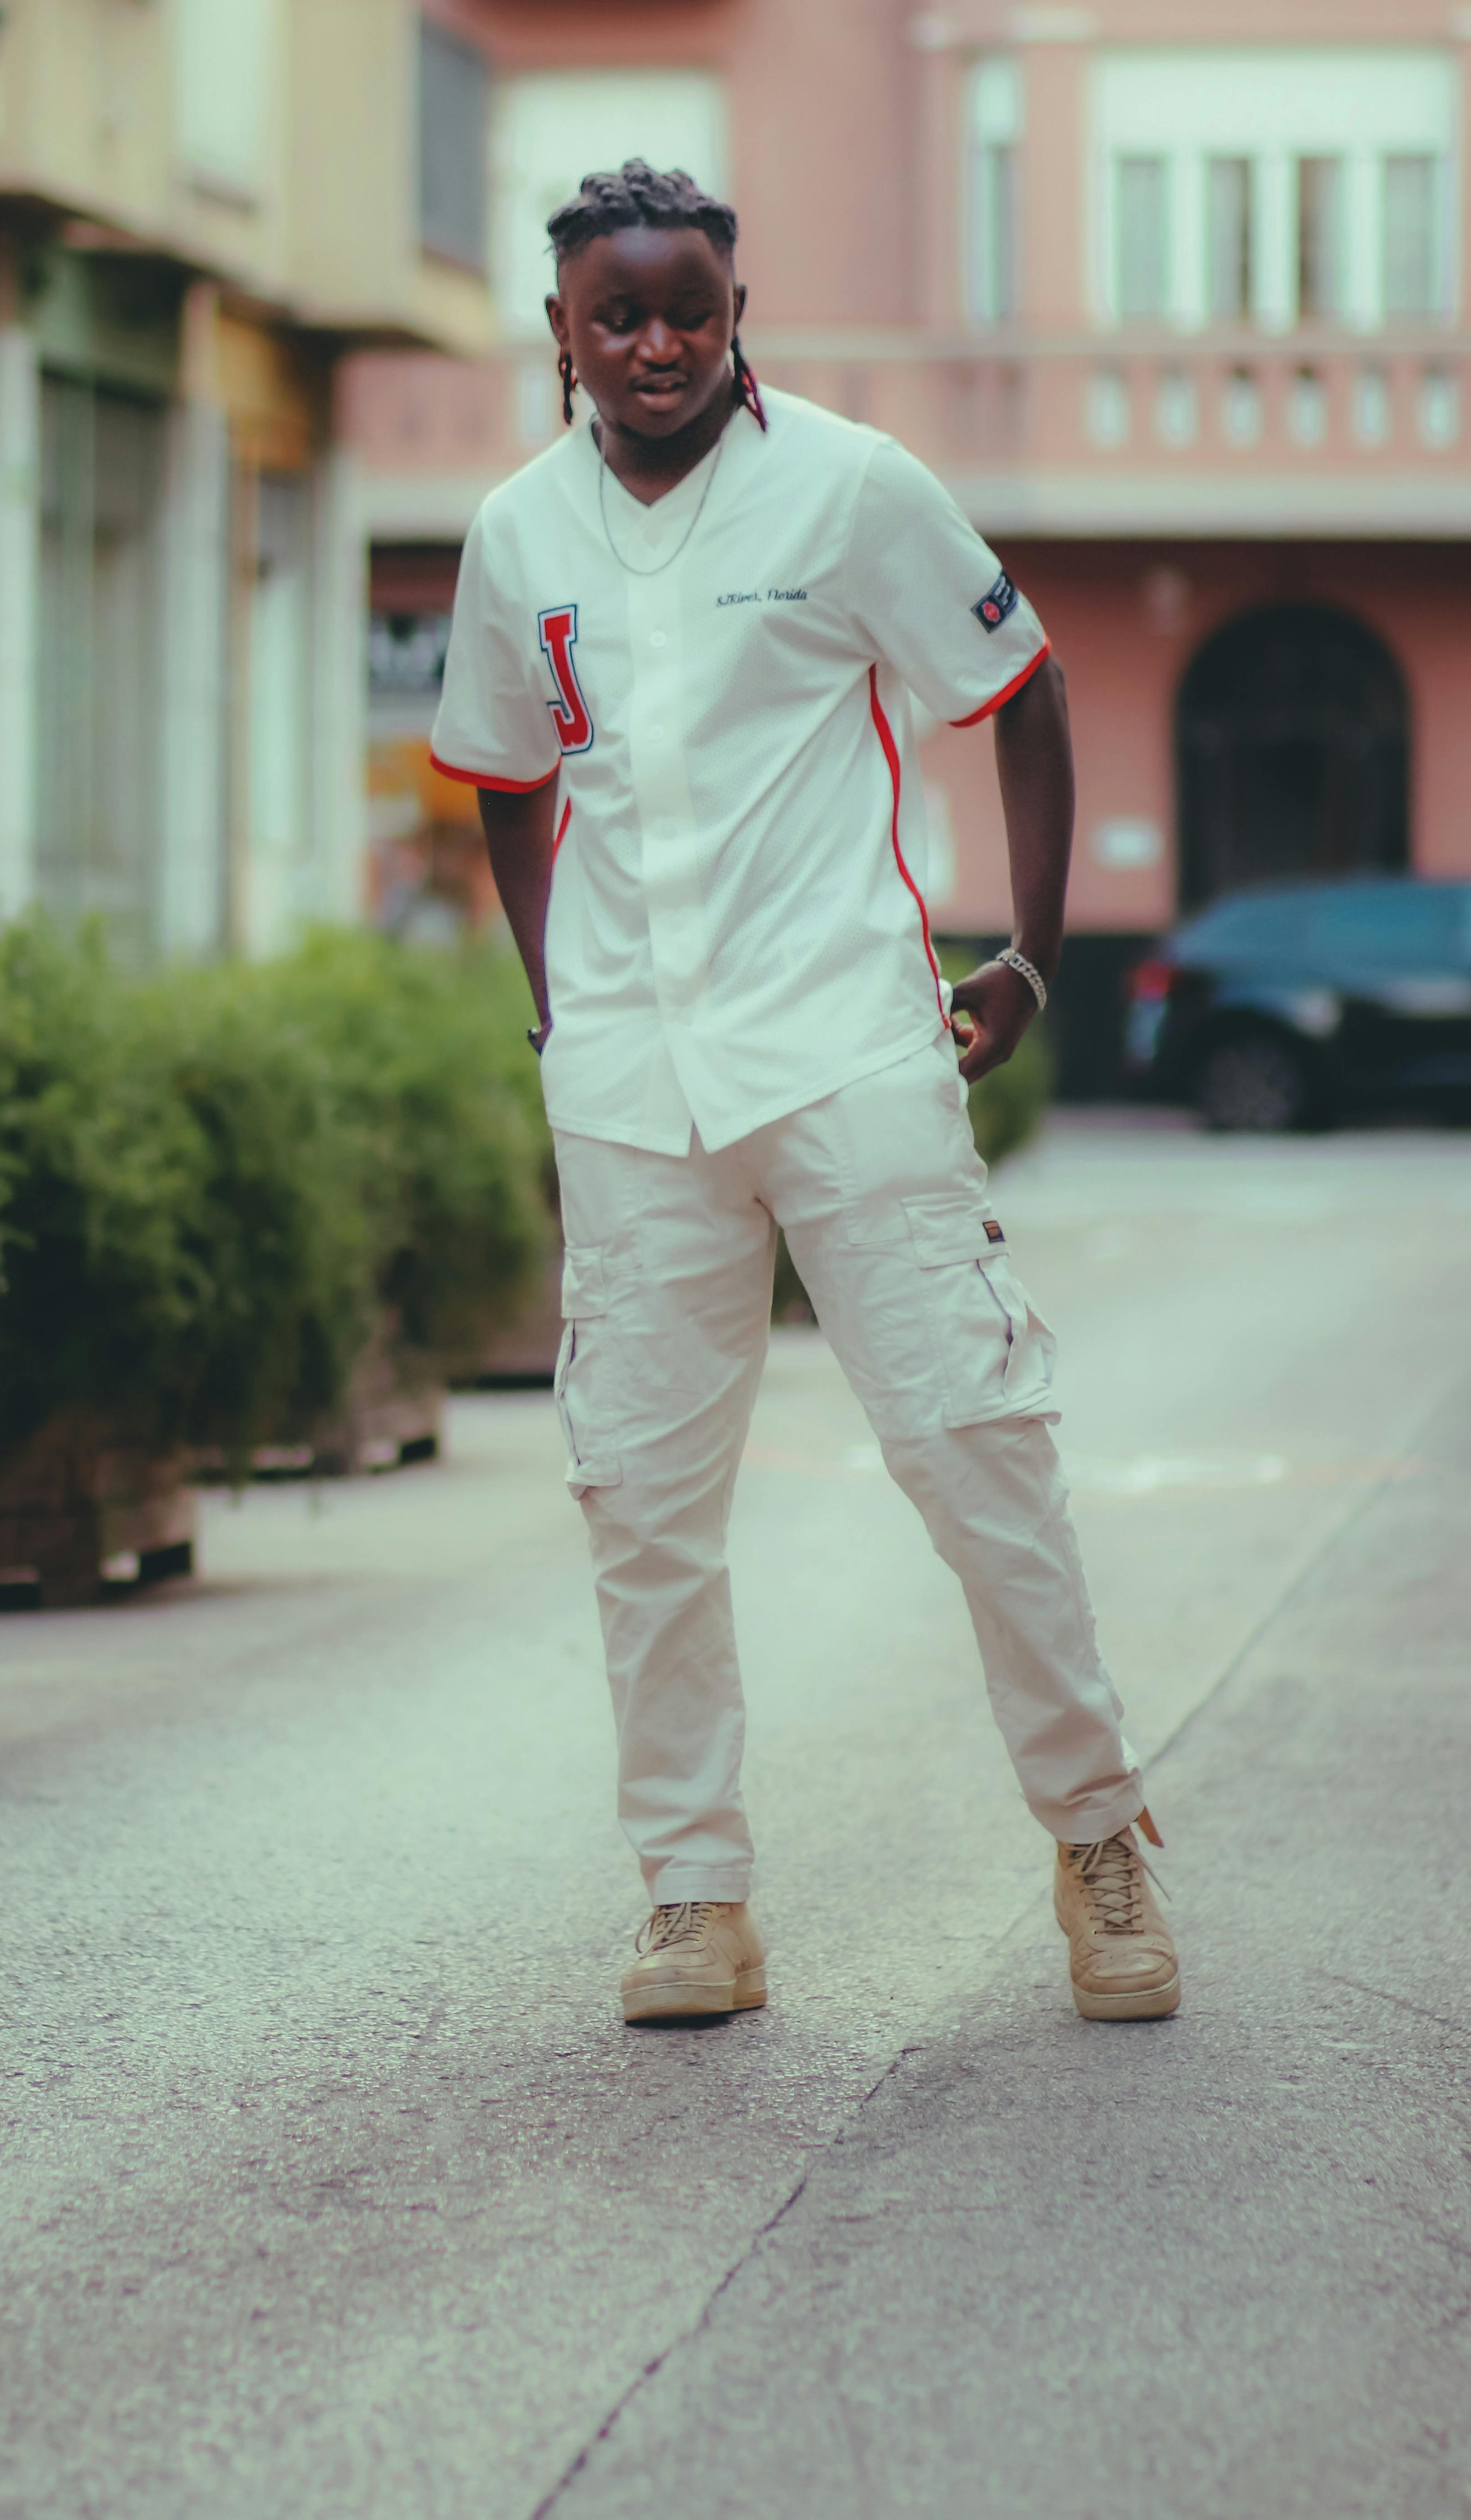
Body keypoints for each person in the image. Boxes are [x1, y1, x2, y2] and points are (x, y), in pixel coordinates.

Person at [429, 160, 1179, 2028]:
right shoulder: (518, 534)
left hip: (849, 1051)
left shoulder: (848, 487)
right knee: (642, 1503)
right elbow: (505, 782)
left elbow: (1021, 691)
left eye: (689, 304)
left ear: (736, 308)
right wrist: (555, 1006)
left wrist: (1027, 960)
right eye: (620, 313)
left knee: (972, 1449)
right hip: (626, 1088)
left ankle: (1095, 1842)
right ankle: (694, 1897)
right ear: (562, 335)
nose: (658, 341)